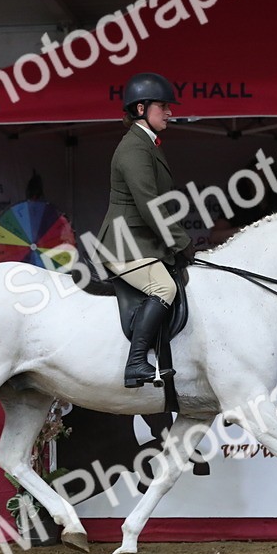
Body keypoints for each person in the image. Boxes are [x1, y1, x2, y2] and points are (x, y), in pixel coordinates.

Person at [96, 72, 192, 388]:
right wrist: (180, 243)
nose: (169, 112)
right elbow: (150, 204)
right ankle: (136, 362)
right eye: (163, 106)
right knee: (165, 288)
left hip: (141, 242)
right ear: (141, 109)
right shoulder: (135, 149)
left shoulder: (147, 144)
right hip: (125, 245)